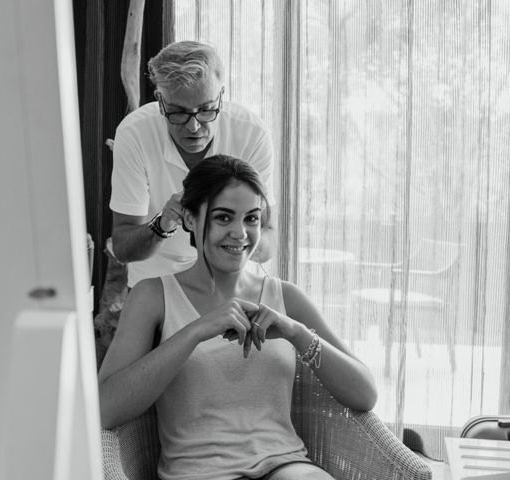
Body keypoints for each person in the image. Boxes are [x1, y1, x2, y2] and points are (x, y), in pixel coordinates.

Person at [99, 155, 377, 480]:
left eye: (251, 219)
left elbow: (365, 394)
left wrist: (297, 333)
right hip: (198, 473)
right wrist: (196, 331)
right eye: (223, 218)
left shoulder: (286, 297)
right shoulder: (153, 296)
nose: (240, 233)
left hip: (286, 466)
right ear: (190, 218)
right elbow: (106, 408)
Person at [109, 40, 278, 288]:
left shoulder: (252, 134)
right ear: (160, 101)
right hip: (156, 286)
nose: (194, 126)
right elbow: (123, 248)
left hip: (232, 287)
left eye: (207, 110)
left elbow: (268, 244)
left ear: (221, 96)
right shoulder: (134, 133)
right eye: (178, 112)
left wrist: (234, 232)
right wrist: (162, 224)